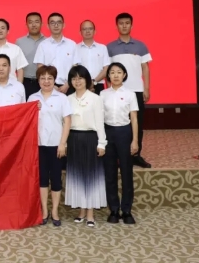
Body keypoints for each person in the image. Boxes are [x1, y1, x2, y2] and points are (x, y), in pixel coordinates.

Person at [27, 65, 72, 227]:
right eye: (43, 78)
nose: (46, 81)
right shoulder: (32, 98)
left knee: (56, 179)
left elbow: (67, 121)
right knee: (42, 179)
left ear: (54, 80)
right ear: (38, 80)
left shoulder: (62, 98)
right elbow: (27, 121)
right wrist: (33, 110)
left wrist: (63, 143)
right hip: (38, 145)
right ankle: (44, 211)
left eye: (50, 78)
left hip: (56, 145)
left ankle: (55, 212)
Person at [106, 12, 152, 168]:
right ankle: (120, 156)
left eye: (127, 23)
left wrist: (146, 88)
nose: (124, 26)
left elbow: (145, 68)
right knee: (119, 125)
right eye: (121, 23)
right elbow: (107, 71)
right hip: (117, 92)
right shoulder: (110, 47)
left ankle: (136, 155)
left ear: (131, 25)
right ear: (116, 26)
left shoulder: (141, 46)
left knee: (137, 123)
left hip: (136, 91)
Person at [65, 65, 107, 228]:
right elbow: (64, 123)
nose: (77, 81)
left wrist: (102, 143)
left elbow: (100, 122)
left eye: (80, 78)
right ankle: (81, 211)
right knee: (77, 176)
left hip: (90, 138)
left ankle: (90, 213)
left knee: (91, 176)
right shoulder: (68, 99)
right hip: (73, 138)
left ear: (87, 80)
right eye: (74, 78)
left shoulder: (95, 98)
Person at [101, 62, 139, 225]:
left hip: (124, 133)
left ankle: (127, 210)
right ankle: (114, 209)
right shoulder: (102, 94)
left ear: (124, 75)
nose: (115, 75)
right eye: (112, 72)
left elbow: (134, 119)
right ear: (108, 76)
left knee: (126, 172)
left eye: (119, 72)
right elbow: (99, 118)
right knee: (109, 173)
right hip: (108, 133)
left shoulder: (130, 94)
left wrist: (135, 140)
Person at [34, 12, 80, 95]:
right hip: (48, 86)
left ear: (63, 25)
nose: (56, 25)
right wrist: (52, 85)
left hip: (69, 86)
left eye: (59, 22)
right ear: (48, 26)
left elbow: (75, 67)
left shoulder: (72, 44)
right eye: (52, 23)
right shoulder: (43, 45)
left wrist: (68, 84)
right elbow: (40, 68)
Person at [76, 20, 110, 95]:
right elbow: (74, 69)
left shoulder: (102, 48)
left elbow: (106, 69)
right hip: (80, 85)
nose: (87, 31)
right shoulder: (75, 48)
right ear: (80, 32)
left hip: (98, 84)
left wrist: (93, 81)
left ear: (95, 31)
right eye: (84, 29)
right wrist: (84, 83)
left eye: (90, 29)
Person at [16, 12, 46, 99]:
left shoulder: (48, 42)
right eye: (30, 22)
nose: (33, 25)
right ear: (26, 25)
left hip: (45, 81)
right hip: (25, 81)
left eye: (36, 22)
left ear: (42, 24)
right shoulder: (19, 42)